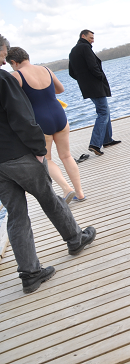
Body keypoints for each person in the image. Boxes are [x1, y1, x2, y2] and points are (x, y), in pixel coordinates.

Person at [0, 34, 96, 294]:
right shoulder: (4, 79)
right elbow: (21, 117)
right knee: (49, 198)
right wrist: (39, 150)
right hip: (19, 155)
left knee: (16, 214)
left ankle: (30, 274)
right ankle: (75, 240)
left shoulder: (12, 76)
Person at [6, 47, 86, 203]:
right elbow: (60, 89)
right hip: (59, 116)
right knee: (66, 155)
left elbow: (13, 102)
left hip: (41, 121)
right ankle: (80, 193)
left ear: (14, 62)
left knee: (46, 159)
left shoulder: (17, 75)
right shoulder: (46, 69)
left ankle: (66, 189)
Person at [68, 29, 120, 156]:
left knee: (104, 111)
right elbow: (93, 66)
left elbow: (71, 72)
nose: (93, 40)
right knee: (103, 112)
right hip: (95, 85)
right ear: (83, 36)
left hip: (87, 87)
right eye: (91, 37)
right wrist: (100, 77)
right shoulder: (85, 48)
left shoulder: (73, 51)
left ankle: (107, 140)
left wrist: (83, 80)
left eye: (93, 38)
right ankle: (95, 144)